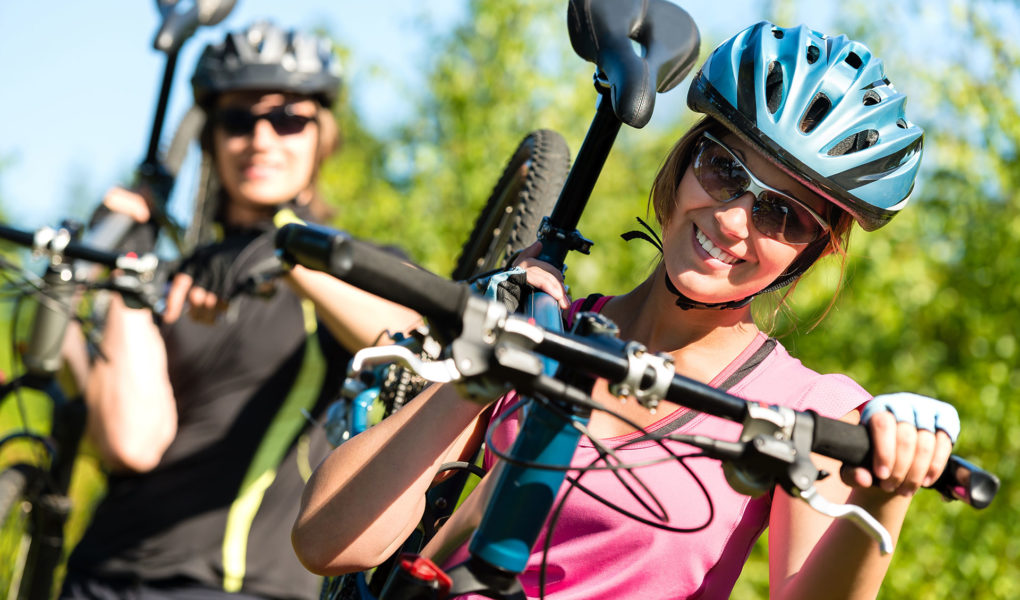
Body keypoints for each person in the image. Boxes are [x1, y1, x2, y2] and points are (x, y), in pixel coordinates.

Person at [290, 21, 960, 599]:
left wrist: (884, 493)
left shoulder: (810, 409)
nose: (732, 221)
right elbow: (326, 542)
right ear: (686, 158)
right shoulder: (546, 328)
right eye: (725, 170)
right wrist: (480, 371)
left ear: (813, 250)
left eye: (781, 215)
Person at [60, 21, 420, 600]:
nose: (261, 139)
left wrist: (287, 252)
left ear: (321, 136)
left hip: (242, 587)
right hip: (100, 579)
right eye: (237, 120)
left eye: (288, 119)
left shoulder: (357, 268)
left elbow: (420, 343)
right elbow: (131, 442)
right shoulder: (177, 278)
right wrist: (128, 272)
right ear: (212, 140)